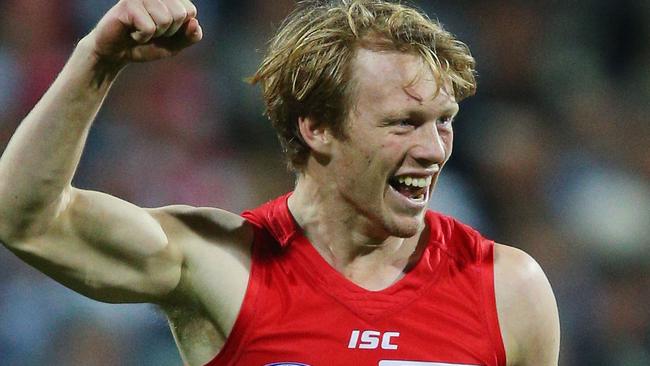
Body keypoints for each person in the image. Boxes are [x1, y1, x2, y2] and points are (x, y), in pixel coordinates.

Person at [0, 0, 560, 365]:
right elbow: (27, 219)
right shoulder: (222, 265)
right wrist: (96, 60)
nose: (434, 150)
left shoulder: (509, 290)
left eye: (444, 122)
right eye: (402, 123)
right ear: (316, 127)